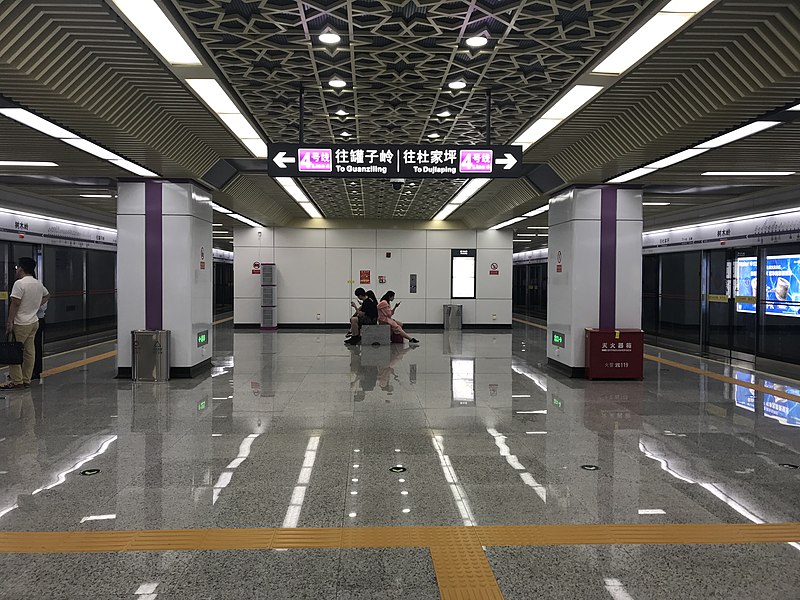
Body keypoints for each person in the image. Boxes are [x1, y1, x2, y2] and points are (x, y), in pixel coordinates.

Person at [1, 258, 49, 390]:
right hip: (33, 322)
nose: (17, 270)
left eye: (17, 267)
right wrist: (35, 305)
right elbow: (47, 295)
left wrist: (10, 321)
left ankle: (17, 381)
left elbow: (15, 303)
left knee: (14, 352)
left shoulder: (19, 284)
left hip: (21, 323)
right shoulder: (37, 283)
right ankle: (26, 379)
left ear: (21, 268)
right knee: (29, 352)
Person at [32, 292, 47, 381]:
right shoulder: (40, 289)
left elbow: (42, 307)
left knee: (35, 346)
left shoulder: (40, 290)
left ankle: (35, 370)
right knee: (34, 346)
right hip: (35, 319)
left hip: (37, 319)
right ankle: (33, 371)